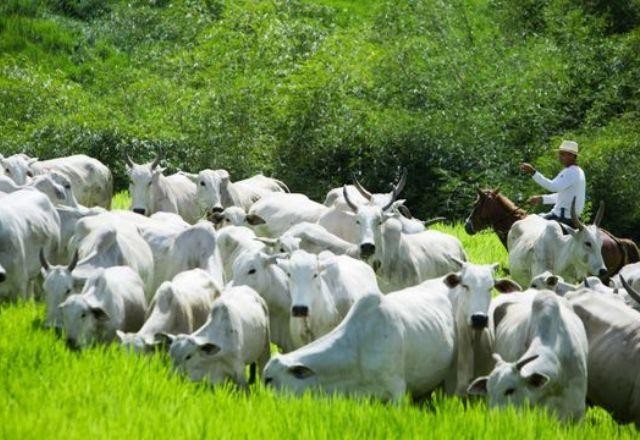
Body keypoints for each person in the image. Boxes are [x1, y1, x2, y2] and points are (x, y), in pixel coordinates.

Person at [519, 140, 585, 228]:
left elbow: (553, 187)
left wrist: (533, 172)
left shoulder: (570, 172)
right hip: (570, 217)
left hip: (562, 217)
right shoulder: (578, 171)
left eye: (562, 154)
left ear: (571, 156)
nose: (559, 157)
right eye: (560, 154)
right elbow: (564, 196)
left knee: (527, 225)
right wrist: (542, 199)